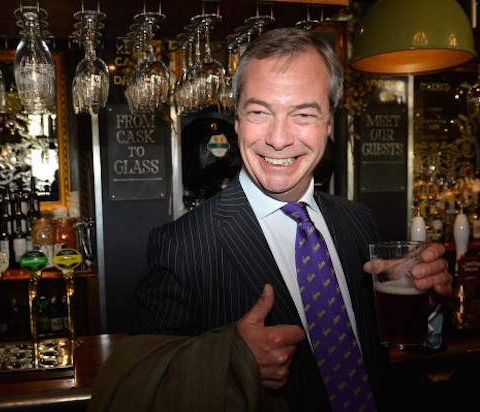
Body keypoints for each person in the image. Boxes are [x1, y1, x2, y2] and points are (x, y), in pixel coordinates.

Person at [87, 27, 452, 411]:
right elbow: (135, 387)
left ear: (329, 123)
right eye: (259, 112)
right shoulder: (184, 246)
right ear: (237, 120)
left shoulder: (358, 222)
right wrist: (230, 363)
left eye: (303, 114)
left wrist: (425, 306)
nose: (279, 139)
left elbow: (387, 354)